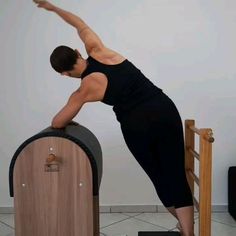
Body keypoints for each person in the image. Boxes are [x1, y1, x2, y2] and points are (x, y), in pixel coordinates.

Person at [33, 1, 194, 235]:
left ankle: (182, 224)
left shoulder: (83, 90)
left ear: (64, 74)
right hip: (163, 110)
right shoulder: (98, 50)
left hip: (136, 126)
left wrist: (69, 114)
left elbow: (57, 122)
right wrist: (53, 8)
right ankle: (188, 232)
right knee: (175, 172)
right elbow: (79, 24)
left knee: (159, 177)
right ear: (78, 52)